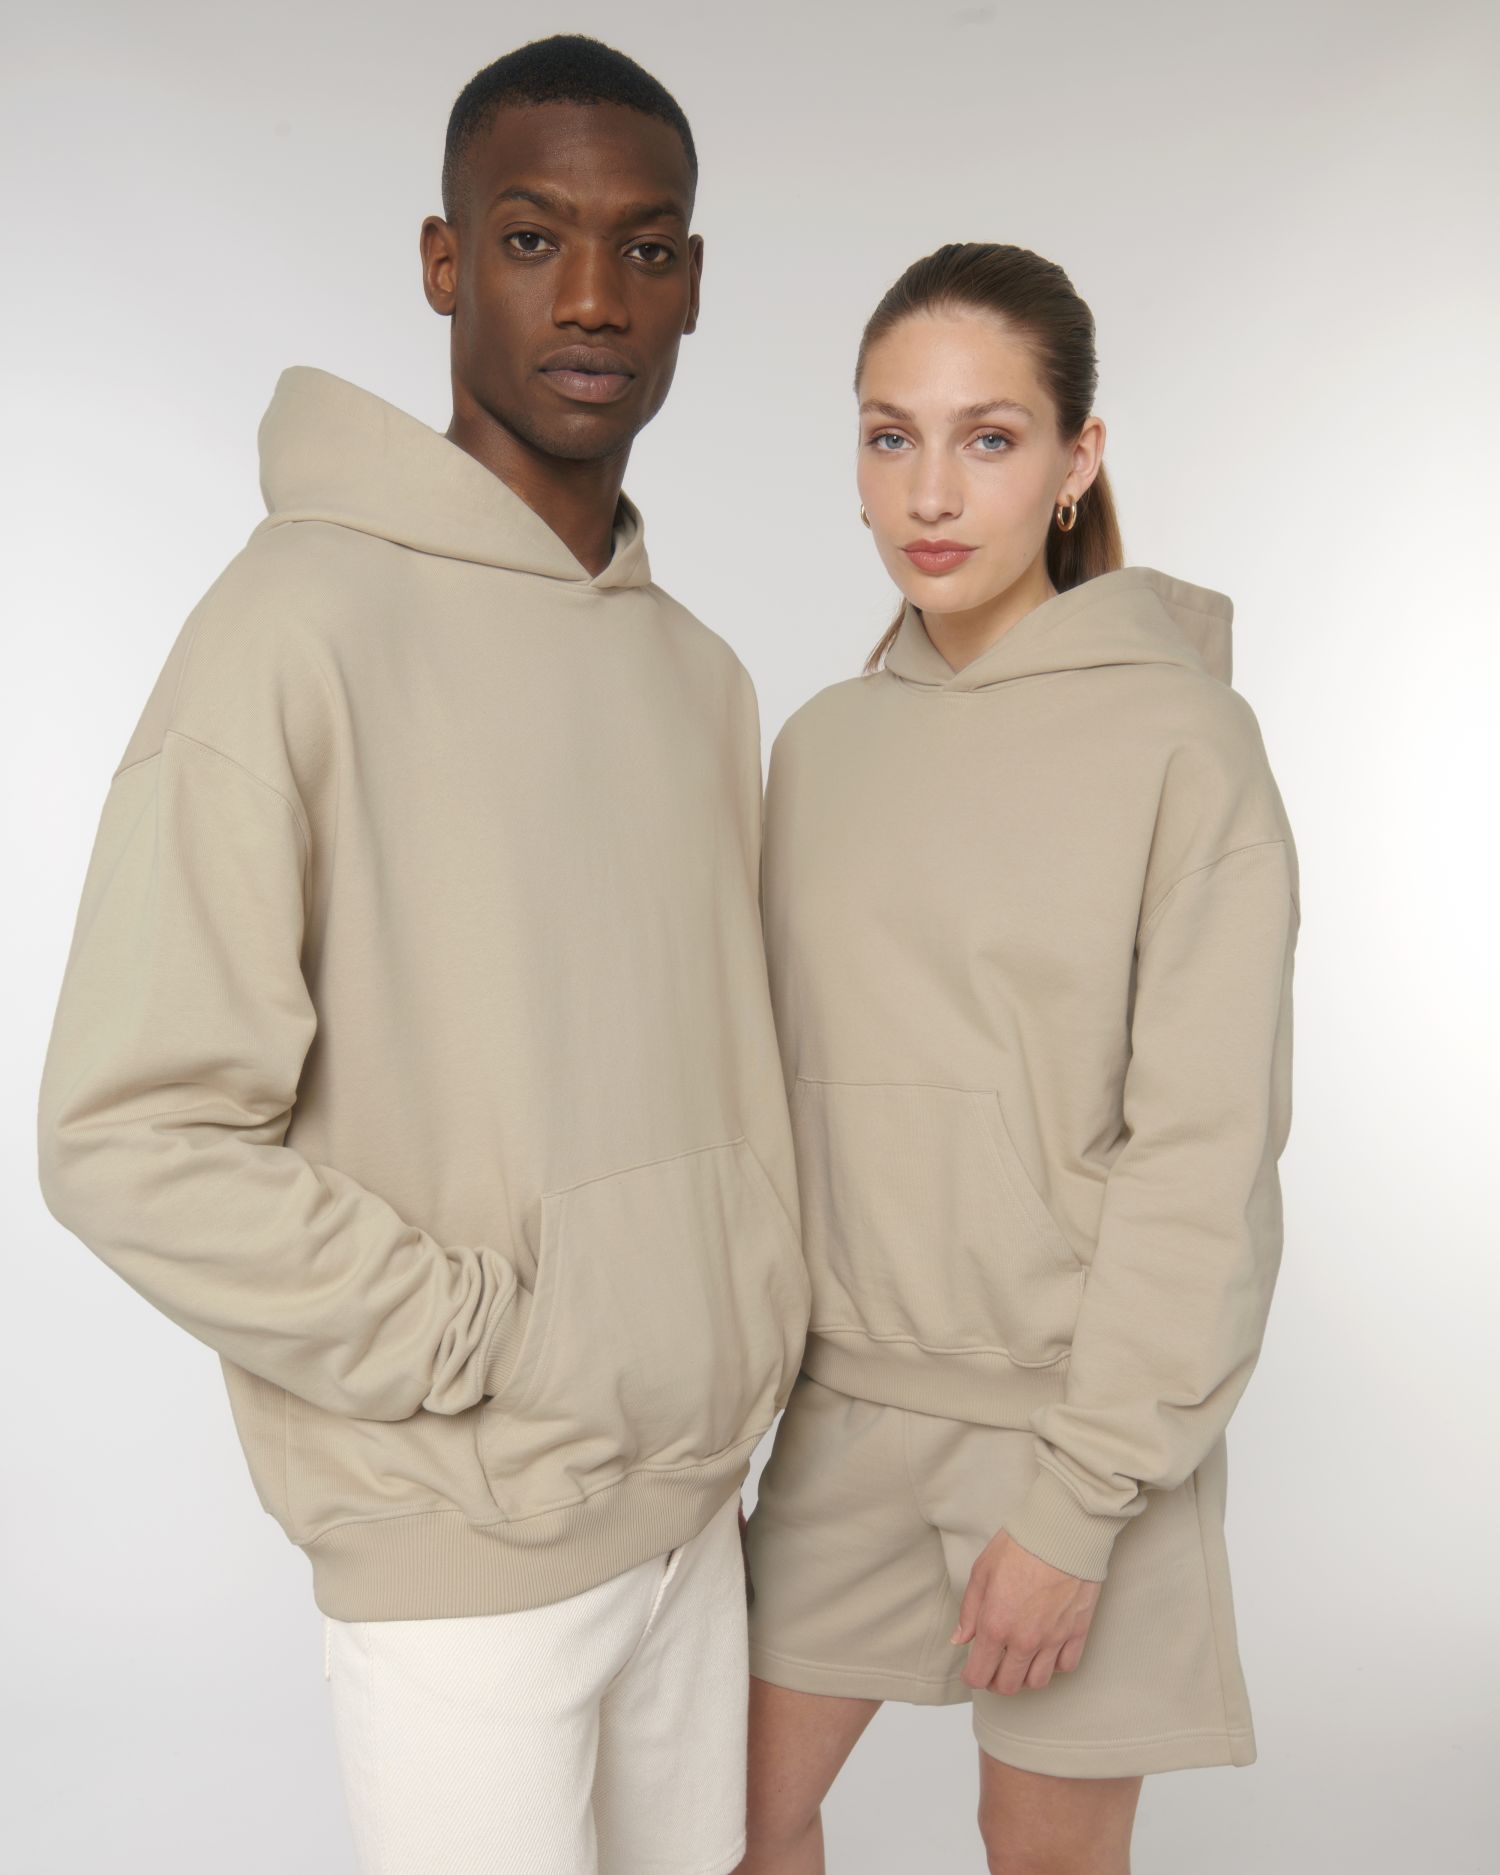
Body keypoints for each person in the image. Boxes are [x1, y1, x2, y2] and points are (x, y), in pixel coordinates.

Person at [36, 33, 809, 1875]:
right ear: (445, 263)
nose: (595, 296)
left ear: (694, 283)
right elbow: (126, 1137)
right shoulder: (290, 629)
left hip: (699, 1524)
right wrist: (488, 1340)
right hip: (463, 1554)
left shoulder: (699, 677)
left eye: (645, 248)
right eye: (535, 239)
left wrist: (720, 1344)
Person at [737, 242, 1299, 1874]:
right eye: (890, 436)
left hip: (1076, 1427)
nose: (930, 492)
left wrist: (1081, 1498)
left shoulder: (1184, 744)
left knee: (1040, 1857)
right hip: (838, 1416)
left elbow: (1205, 1156)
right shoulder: (820, 747)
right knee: (724, 1828)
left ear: (1075, 461)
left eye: (988, 438)